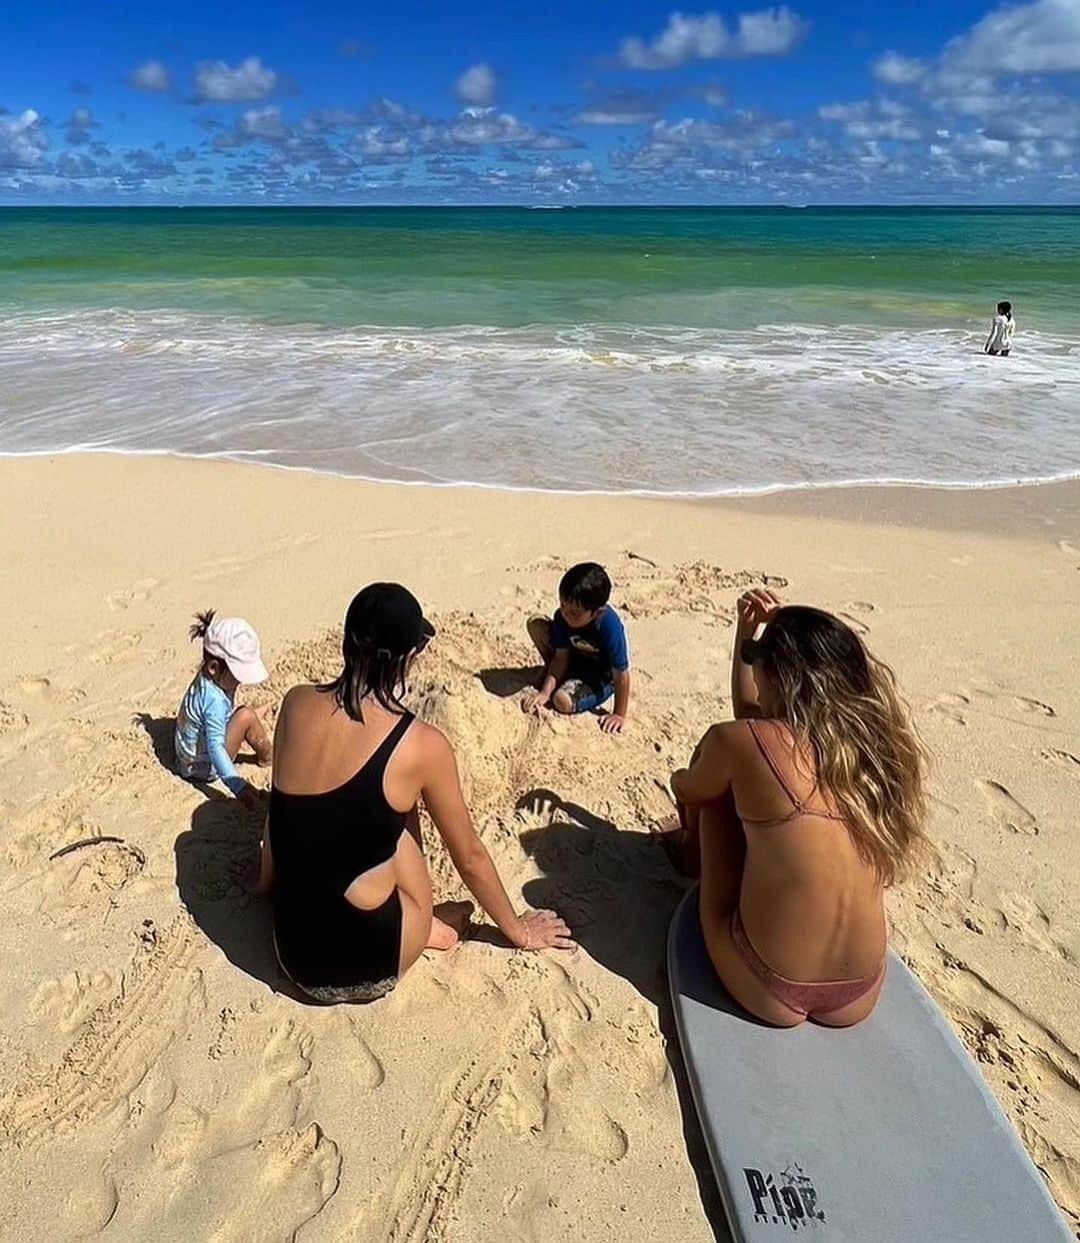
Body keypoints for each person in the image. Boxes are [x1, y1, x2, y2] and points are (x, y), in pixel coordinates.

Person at [256, 583, 572, 1004]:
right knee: (400, 814)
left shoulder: (294, 703)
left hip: (293, 955)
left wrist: (263, 885)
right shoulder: (421, 743)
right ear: (410, 657)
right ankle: (428, 929)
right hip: (373, 961)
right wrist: (518, 930)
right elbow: (469, 856)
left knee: (309, 808)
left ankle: (400, 918)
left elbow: (281, 816)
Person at [656, 590, 928, 1028]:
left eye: (757, 656)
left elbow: (694, 785)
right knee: (751, 781)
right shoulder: (875, 751)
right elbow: (754, 722)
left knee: (716, 796)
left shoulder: (738, 741)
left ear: (777, 673)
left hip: (765, 984)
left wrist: (682, 783)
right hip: (861, 992)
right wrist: (751, 635)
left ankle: (683, 852)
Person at [175, 610, 271, 809]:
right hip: (204, 768)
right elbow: (216, 747)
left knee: (244, 715)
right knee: (245, 715)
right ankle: (267, 756)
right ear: (213, 667)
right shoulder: (215, 701)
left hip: (185, 759)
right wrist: (237, 786)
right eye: (237, 674)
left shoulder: (206, 680)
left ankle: (249, 720)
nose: (241, 680)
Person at [522, 562, 632, 735]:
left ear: (597, 612)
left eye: (574, 612)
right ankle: (556, 676)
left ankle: (566, 682)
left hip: (600, 677)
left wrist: (619, 714)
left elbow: (621, 674)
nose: (566, 613)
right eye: (563, 605)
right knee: (536, 625)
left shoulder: (609, 626)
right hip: (575, 659)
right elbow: (560, 657)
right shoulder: (562, 618)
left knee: (561, 701)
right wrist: (544, 692)